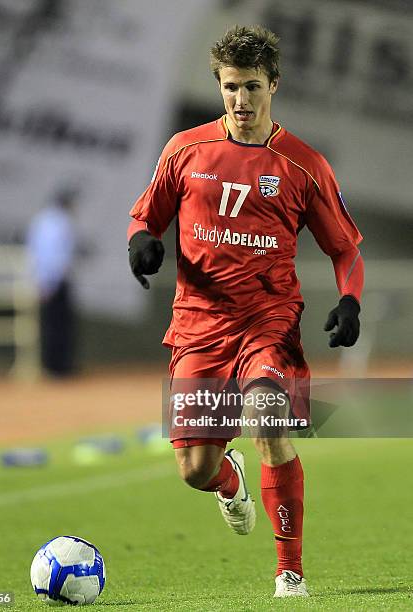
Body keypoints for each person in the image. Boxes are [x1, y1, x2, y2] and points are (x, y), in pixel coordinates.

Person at [127, 25, 364, 598]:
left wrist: (350, 300)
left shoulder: (303, 165)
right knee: (194, 472)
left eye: (252, 86)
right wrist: (141, 241)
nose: (241, 100)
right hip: (198, 325)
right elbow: (145, 216)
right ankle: (229, 479)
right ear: (219, 86)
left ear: (274, 86)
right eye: (230, 87)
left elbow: (345, 248)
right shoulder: (185, 149)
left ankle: (290, 572)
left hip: (268, 322)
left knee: (267, 417)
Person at [27, 185, 78, 377]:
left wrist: (40, 280)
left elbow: (34, 253)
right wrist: (51, 282)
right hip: (57, 280)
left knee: (52, 324)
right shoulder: (61, 222)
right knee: (59, 326)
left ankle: (52, 365)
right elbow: (54, 256)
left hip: (46, 279)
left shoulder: (41, 220)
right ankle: (60, 366)